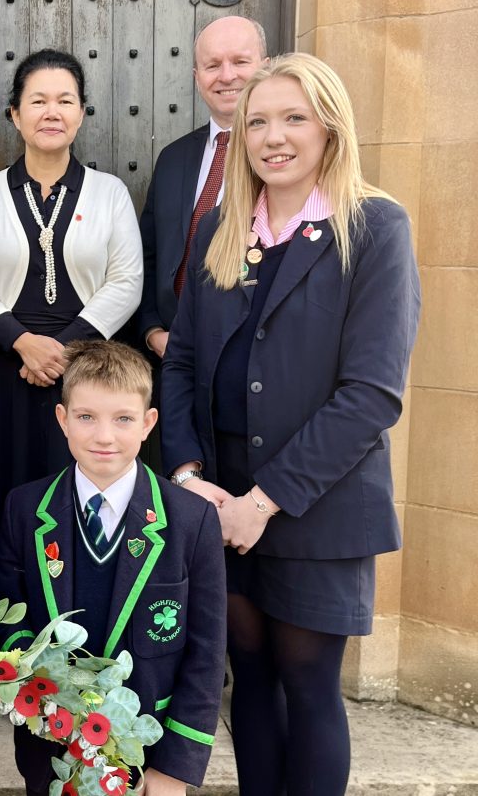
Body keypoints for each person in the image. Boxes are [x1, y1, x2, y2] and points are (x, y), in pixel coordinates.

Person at [161, 53, 421, 796]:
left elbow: (372, 393)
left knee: (307, 683)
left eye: (294, 118)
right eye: (259, 121)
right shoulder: (220, 227)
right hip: (223, 501)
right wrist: (189, 479)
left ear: (330, 127)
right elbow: (179, 362)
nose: (274, 137)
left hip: (315, 500)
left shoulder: (374, 226)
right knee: (251, 680)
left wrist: (263, 501)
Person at [0, 340, 226, 796]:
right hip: (52, 748)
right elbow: (12, 623)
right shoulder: (24, 510)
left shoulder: (190, 519)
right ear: (62, 420)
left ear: (148, 424)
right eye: (86, 417)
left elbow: (206, 654)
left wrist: (176, 769)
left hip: (149, 753)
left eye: (123, 419)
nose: (105, 436)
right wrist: (41, 698)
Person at [0, 49, 142, 518]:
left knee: (80, 491)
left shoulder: (109, 192)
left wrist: (60, 350)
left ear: (81, 113)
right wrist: (22, 343)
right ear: (16, 115)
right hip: (5, 365)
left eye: (65, 100)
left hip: (85, 369)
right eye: (38, 101)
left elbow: (126, 281)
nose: (52, 112)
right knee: (3, 490)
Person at [135, 16, 267, 423]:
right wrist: (153, 330)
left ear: (266, 65)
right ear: (196, 76)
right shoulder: (174, 158)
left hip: (251, 373)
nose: (226, 76)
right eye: (212, 65)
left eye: (240, 62)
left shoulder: (284, 159)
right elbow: (149, 257)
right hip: (171, 366)